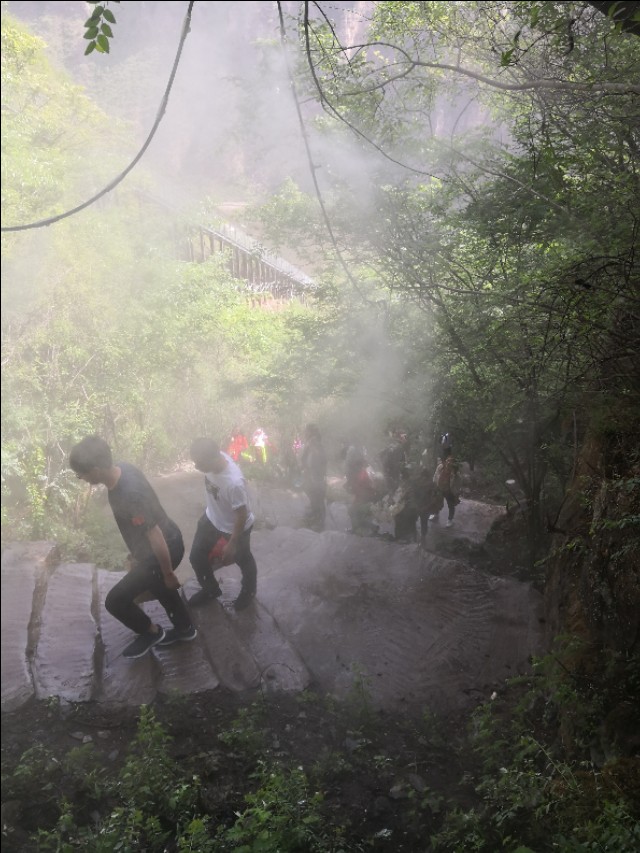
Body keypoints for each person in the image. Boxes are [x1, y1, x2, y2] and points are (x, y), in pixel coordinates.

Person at [68, 436, 196, 659]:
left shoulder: (129, 494)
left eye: (81, 474)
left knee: (115, 601)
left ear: (96, 470)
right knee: (158, 586)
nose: (81, 478)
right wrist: (136, 554)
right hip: (161, 544)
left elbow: (154, 534)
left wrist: (168, 572)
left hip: (163, 549)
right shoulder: (123, 469)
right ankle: (186, 630)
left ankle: (151, 632)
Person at [187, 437, 258, 611]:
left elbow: (241, 515)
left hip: (234, 527)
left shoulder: (234, 483)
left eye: (199, 464)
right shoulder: (215, 457)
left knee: (243, 559)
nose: (197, 467)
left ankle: (249, 590)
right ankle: (211, 590)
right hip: (211, 519)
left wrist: (232, 543)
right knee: (196, 557)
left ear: (213, 459)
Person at [345, 445, 379, 535]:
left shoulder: (363, 470)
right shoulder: (362, 468)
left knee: (354, 511)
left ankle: (365, 528)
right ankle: (367, 528)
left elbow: (365, 482)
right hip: (363, 494)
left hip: (365, 495)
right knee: (354, 511)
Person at [299, 423, 327, 531]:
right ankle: (316, 518)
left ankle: (319, 522)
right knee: (314, 497)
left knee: (317, 498)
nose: (305, 433)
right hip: (311, 474)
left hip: (316, 475)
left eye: (306, 431)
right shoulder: (311, 442)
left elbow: (321, 458)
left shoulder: (315, 442)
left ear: (311, 432)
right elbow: (305, 457)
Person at [431, 445, 461, 528]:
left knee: (451, 505)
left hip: (449, 491)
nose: (448, 462)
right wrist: (434, 486)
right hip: (440, 489)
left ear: (453, 463)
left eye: (451, 461)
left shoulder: (455, 473)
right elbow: (435, 476)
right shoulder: (440, 467)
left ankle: (450, 520)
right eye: (448, 460)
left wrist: (456, 493)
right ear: (445, 461)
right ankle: (435, 515)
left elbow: (458, 484)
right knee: (436, 502)